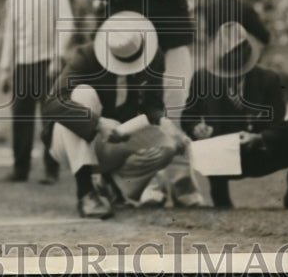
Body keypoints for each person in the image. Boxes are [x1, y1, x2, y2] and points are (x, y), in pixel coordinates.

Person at [42, 11, 197, 218]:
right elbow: (52, 103)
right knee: (83, 94)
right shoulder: (86, 56)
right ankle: (86, 191)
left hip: (115, 138)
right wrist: (97, 123)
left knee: (167, 146)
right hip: (68, 142)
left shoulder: (154, 56)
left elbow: (152, 105)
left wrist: (165, 122)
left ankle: (114, 185)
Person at [181, 21, 288, 210]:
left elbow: (277, 122)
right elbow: (188, 115)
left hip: (262, 151)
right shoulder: (203, 78)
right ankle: (220, 196)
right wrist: (196, 127)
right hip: (222, 154)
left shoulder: (270, 79)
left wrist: (259, 137)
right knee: (203, 144)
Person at [0, 0, 76, 183]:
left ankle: (51, 170)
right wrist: (5, 69)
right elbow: (10, 35)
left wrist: (57, 56)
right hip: (22, 64)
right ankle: (19, 169)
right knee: (21, 117)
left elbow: (66, 22)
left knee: (50, 117)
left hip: (47, 62)